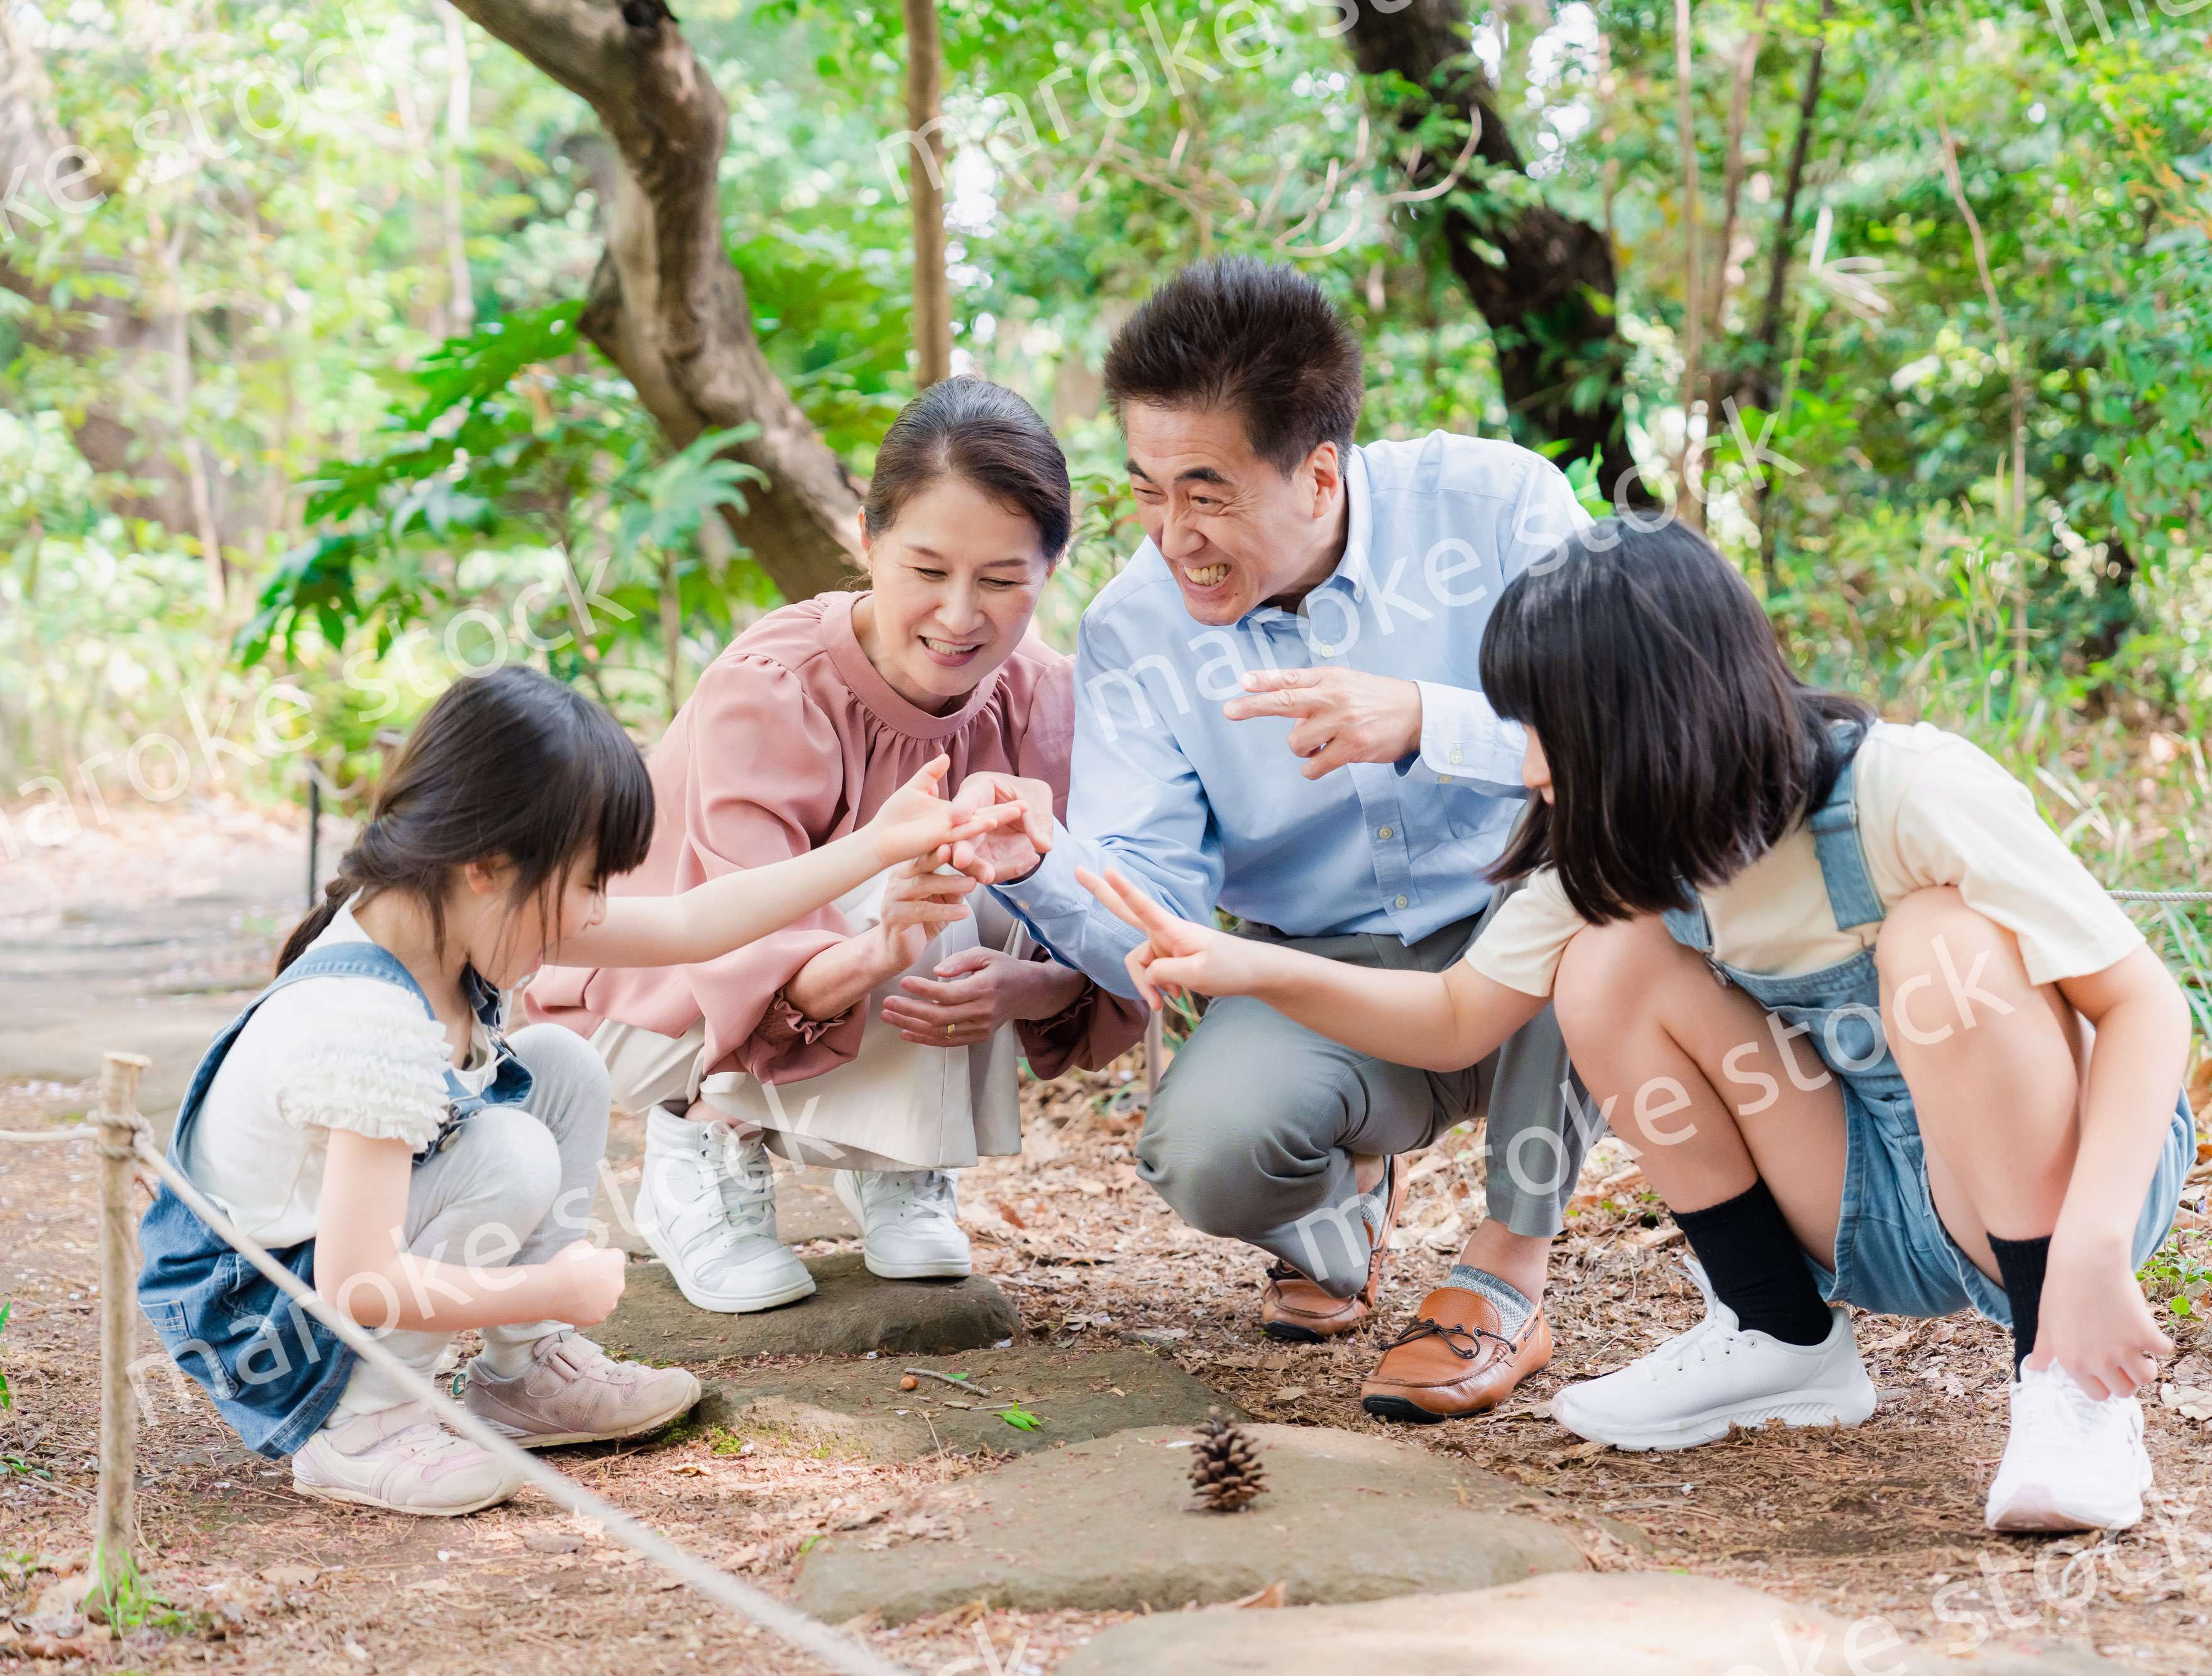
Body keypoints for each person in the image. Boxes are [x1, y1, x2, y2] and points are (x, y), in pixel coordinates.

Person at [1076, 512, 2198, 1534]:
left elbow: (2143, 1006)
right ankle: (1780, 1335)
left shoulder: (1906, 790)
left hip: (2073, 1192)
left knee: (1940, 944)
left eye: (1543, 729)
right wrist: (1248, 965)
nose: (1527, 764)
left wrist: (2094, 1246)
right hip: (1875, 1205)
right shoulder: (1619, 856)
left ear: (1646, 723)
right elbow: (1456, 1018)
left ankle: (2069, 1384)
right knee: (1609, 963)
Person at [138, 665, 1020, 1516]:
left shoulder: (445, 911)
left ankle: (524, 1378)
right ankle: (364, 1428)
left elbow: (691, 924)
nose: (596, 912)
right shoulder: (369, 1018)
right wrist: (549, 1291)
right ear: (488, 864)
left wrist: (879, 845)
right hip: (268, 1328)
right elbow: (361, 1283)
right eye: (588, 883)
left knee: (561, 1062)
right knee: (508, 1151)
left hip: (313, 1276)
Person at [950, 258, 1593, 1421]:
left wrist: (1428, 719)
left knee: (1604, 869)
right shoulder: (1136, 630)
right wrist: (1044, 865)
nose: (1173, 538)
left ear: (1319, 473)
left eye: (1208, 494)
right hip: (1320, 972)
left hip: (1535, 932)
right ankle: (1346, 1197)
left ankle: (1508, 1271)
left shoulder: (1498, 508)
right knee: (1209, 1155)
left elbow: (1642, 731)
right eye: (1147, 493)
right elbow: (1153, 910)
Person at [527, 377, 1143, 1312]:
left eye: (1001, 580)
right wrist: (883, 948)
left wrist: (1028, 987)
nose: (960, 616)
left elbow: (1108, 933)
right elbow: (731, 945)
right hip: (666, 1007)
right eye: (926, 571)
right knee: (926, 872)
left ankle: (896, 1160)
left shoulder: (1042, 695)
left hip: (853, 988)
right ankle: (701, 1144)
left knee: (1006, 857)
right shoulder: (772, 689)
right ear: (867, 539)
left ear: (1052, 568)